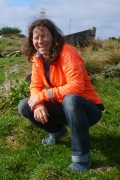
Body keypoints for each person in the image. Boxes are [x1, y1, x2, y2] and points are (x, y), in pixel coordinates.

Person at [18, 18, 104, 172]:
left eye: (44, 36)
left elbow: (76, 86)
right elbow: (35, 86)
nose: (40, 41)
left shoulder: (67, 52)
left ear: (53, 36)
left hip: (87, 110)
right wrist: (37, 103)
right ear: (32, 40)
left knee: (70, 99)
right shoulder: (37, 58)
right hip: (64, 107)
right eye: (36, 37)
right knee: (25, 105)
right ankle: (57, 132)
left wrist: (43, 96)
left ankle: (81, 159)